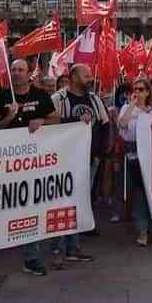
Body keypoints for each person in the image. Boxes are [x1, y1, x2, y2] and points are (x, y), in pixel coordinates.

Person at [0, 59, 58, 282]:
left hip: (33, 165)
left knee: (30, 209)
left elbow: (57, 119)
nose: (16, 73)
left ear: (28, 74)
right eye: (13, 70)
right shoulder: (0, 98)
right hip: (5, 166)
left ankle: (31, 258)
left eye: (20, 70)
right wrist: (9, 117)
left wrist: (42, 120)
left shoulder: (41, 96)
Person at [49, 64, 102, 267]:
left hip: (88, 161)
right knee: (61, 205)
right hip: (63, 162)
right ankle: (57, 249)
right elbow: (49, 124)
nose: (90, 78)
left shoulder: (94, 99)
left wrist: (99, 154)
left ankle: (73, 247)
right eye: (86, 75)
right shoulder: (57, 99)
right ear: (73, 77)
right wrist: (75, 120)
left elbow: (104, 125)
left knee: (79, 205)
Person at [118, 78, 152, 246]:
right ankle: (142, 230)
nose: (137, 92)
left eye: (141, 89)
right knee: (139, 193)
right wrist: (132, 106)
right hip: (135, 153)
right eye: (135, 89)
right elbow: (122, 125)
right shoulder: (127, 108)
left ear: (148, 92)